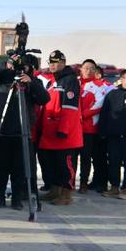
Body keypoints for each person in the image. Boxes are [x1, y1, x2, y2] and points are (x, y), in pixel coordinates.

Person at [0, 54, 50, 209]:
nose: (22, 69)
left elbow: (44, 99)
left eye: (26, 66)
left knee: (19, 167)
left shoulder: (32, 82)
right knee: (1, 165)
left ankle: (17, 198)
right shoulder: (1, 78)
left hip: (22, 129)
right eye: (20, 65)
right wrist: (6, 65)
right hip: (0, 128)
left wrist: (31, 82)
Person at [38, 50, 83, 206]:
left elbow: (70, 108)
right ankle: (54, 191)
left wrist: (64, 129)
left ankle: (66, 194)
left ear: (64, 63)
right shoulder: (53, 82)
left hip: (65, 135)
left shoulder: (70, 81)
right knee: (53, 164)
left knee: (66, 165)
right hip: (50, 134)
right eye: (50, 62)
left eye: (56, 62)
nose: (53, 65)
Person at [77, 59, 109, 193]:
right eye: (85, 68)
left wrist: (81, 115)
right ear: (81, 69)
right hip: (74, 127)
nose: (88, 71)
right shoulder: (75, 83)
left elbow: (98, 105)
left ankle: (84, 182)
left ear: (95, 71)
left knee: (87, 156)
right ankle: (68, 183)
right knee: (72, 157)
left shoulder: (100, 86)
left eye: (91, 68)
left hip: (90, 128)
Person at [98, 69, 126, 200]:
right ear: (122, 79)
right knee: (113, 161)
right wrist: (103, 131)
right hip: (114, 135)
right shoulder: (113, 94)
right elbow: (104, 114)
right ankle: (114, 187)